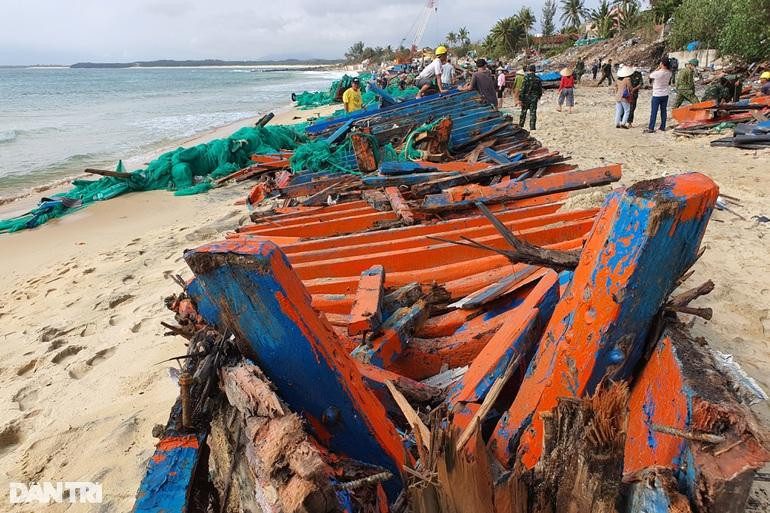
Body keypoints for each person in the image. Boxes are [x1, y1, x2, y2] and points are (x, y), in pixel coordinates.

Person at [644, 58, 673, 133]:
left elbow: (650, 76)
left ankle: (651, 127)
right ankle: (663, 126)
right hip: (665, 94)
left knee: (654, 111)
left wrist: (657, 68)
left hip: (657, 94)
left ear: (662, 64)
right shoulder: (669, 73)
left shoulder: (658, 73)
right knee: (663, 111)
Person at [519, 65, 543, 130]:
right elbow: (540, 89)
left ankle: (521, 125)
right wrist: (539, 96)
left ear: (529, 70)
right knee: (533, 112)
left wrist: (520, 98)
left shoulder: (526, 78)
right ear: (534, 70)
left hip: (526, 98)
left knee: (523, 112)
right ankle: (532, 127)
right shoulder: (538, 78)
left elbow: (522, 89)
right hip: (534, 98)